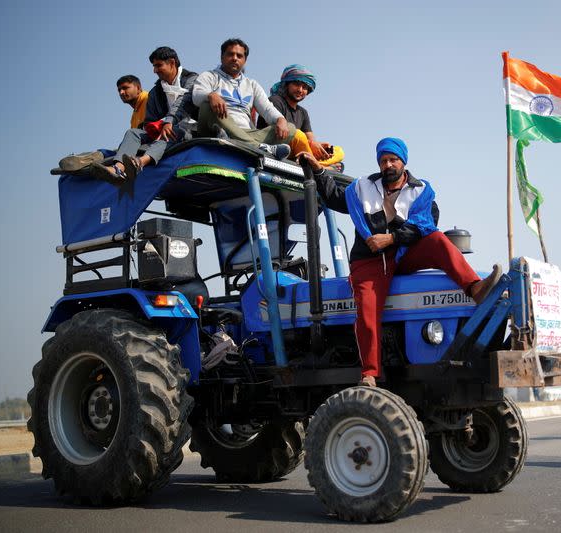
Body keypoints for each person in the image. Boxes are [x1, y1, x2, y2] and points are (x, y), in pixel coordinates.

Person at [299, 138, 502, 387]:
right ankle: (370, 374)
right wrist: (319, 170)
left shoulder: (421, 191)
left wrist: (391, 239)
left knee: (437, 239)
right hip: (369, 259)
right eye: (383, 161)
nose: (388, 165)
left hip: (402, 253)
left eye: (393, 160)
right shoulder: (362, 187)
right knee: (367, 309)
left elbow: (424, 226)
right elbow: (333, 198)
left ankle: (475, 287)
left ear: (403, 162)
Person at [88, 47, 199, 183]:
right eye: (153, 66)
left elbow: (183, 101)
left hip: (189, 129)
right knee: (133, 133)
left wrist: (168, 121)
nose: (155, 70)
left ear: (172, 63)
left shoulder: (192, 79)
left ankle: (139, 163)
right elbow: (150, 120)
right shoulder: (155, 92)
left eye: (158, 65)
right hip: (163, 131)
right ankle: (118, 169)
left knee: (170, 131)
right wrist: (153, 127)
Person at [191, 38, 298, 158]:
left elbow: (267, 108)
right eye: (230, 54)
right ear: (222, 57)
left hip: (246, 132)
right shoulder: (209, 76)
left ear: (245, 60)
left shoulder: (251, 84)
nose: (235, 58)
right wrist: (211, 95)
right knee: (207, 105)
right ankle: (257, 148)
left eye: (239, 56)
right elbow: (196, 96)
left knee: (290, 128)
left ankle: (240, 143)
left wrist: (280, 119)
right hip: (216, 129)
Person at [257, 64, 330, 160]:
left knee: (337, 151)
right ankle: (317, 165)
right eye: (296, 84)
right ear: (286, 85)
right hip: (276, 148)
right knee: (298, 134)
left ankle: (318, 163)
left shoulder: (303, 113)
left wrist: (319, 147)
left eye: (304, 87)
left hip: (297, 151)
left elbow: (310, 139)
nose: (300, 90)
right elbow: (279, 134)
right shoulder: (275, 101)